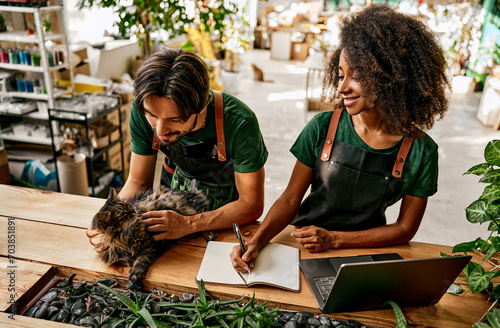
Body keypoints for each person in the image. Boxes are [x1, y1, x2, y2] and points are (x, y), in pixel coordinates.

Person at [231, 4, 451, 272]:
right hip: (304, 245)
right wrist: (257, 241)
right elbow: (290, 199)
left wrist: (335, 240)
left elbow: (405, 229)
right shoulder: (323, 127)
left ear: (391, 78)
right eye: (340, 75)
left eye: (355, 76)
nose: (341, 87)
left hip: (365, 252)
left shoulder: (421, 151)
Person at [87, 47, 268, 250]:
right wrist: (111, 217)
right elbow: (138, 181)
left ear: (202, 105)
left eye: (174, 119)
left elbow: (251, 204)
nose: (161, 130)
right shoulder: (142, 107)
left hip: (227, 213)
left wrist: (189, 224)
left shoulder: (240, 123)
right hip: (175, 195)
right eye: (153, 116)